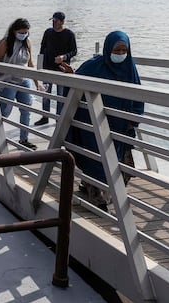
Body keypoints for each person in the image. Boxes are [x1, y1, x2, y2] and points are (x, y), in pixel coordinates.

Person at [62, 30, 144, 209]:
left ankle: (103, 192)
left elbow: (138, 95)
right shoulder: (95, 66)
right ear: (108, 49)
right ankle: (97, 197)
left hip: (121, 125)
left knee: (124, 166)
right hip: (94, 123)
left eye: (124, 50)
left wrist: (134, 118)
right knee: (95, 161)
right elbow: (76, 83)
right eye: (117, 50)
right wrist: (72, 76)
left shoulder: (130, 67)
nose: (121, 54)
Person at [0, 18, 38, 150]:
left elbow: (30, 63)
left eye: (26, 32)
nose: (24, 34)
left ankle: (24, 139)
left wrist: (37, 83)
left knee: (27, 109)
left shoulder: (27, 42)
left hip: (24, 80)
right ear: (14, 31)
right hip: (7, 80)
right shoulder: (5, 43)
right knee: (4, 112)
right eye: (21, 32)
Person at [35, 11, 77, 125]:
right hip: (47, 68)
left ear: (62, 22)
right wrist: (40, 65)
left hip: (61, 69)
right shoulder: (48, 32)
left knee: (60, 95)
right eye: (52, 20)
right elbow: (42, 48)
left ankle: (59, 118)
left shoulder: (69, 34)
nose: (53, 23)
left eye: (56, 21)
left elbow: (74, 51)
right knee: (46, 94)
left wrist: (64, 57)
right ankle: (45, 117)